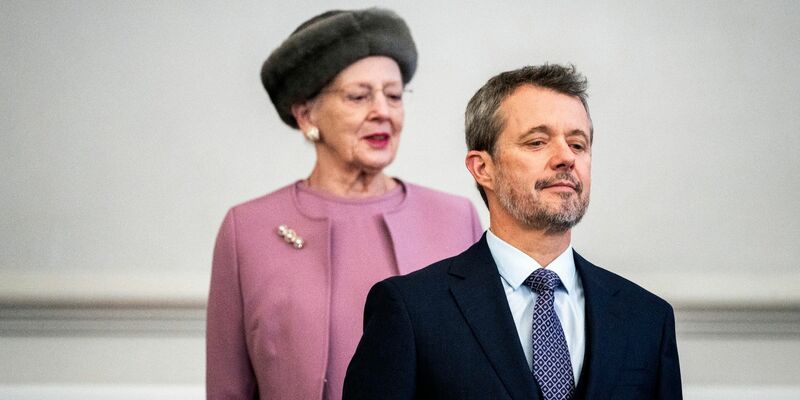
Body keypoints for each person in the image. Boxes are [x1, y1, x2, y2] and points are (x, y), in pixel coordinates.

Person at [343, 64, 682, 399]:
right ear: (483, 168)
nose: (566, 157)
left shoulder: (648, 318)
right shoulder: (411, 310)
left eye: (578, 145)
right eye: (537, 142)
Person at [206, 8, 482, 400]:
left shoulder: (456, 218)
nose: (382, 112)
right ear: (305, 115)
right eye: (358, 96)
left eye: (393, 95)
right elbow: (227, 389)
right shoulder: (246, 228)